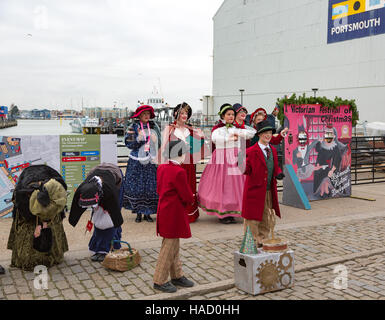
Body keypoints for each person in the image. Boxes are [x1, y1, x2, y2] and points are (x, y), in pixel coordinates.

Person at [197, 104, 256, 224]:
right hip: (222, 159)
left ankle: (233, 209)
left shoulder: (236, 128)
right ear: (223, 116)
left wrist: (239, 133)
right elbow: (214, 138)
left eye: (233, 114)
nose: (231, 116)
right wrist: (229, 138)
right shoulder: (219, 129)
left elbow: (252, 132)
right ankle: (223, 212)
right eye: (228, 114)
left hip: (236, 157)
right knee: (222, 185)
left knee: (236, 185)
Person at [7, 165, 69, 271]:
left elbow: (58, 208)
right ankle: (27, 259)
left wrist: (45, 222)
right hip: (27, 198)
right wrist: (38, 225)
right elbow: (26, 214)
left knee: (51, 222)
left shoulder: (57, 190)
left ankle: (52, 256)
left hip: (49, 191)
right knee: (30, 226)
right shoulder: (23, 197)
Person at [153, 139, 195, 293]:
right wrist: (192, 197)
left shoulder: (162, 168)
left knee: (173, 245)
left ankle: (177, 275)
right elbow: (186, 196)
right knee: (169, 246)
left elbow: (159, 189)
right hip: (174, 212)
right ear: (180, 153)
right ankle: (159, 279)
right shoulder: (179, 172)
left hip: (164, 209)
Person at [159, 102, 205, 223]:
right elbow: (164, 147)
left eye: (186, 113)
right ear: (176, 113)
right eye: (182, 112)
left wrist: (201, 138)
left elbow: (196, 149)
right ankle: (176, 213)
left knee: (188, 186)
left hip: (188, 162)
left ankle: (189, 213)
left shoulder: (191, 129)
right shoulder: (169, 129)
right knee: (175, 187)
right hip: (174, 162)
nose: (184, 115)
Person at [241, 120, 285, 246]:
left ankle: (263, 240)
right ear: (259, 134)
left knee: (266, 217)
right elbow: (245, 169)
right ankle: (252, 243)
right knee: (253, 219)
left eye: (270, 132)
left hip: (269, 190)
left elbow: (275, 166)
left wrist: (278, 172)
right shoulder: (251, 151)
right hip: (254, 191)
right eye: (265, 132)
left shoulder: (273, 150)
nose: (268, 135)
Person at [69, 163, 124, 262]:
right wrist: (73, 219)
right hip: (99, 175)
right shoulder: (82, 188)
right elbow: (76, 207)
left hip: (115, 179)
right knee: (98, 216)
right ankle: (98, 247)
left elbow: (115, 214)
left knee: (109, 220)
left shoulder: (110, 191)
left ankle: (107, 248)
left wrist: (115, 221)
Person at [122, 105, 161, 223]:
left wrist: (155, 141)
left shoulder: (154, 126)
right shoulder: (133, 126)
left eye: (148, 114)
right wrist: (138, 139)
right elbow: (129, 144)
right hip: (136, 161)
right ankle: (138, 213)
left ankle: (148, 213)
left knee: (150, 187)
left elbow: (159, 143)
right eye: (144, 114)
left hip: (150, 160)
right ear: (139, 115)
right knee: (137, 186)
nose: (146, 116)